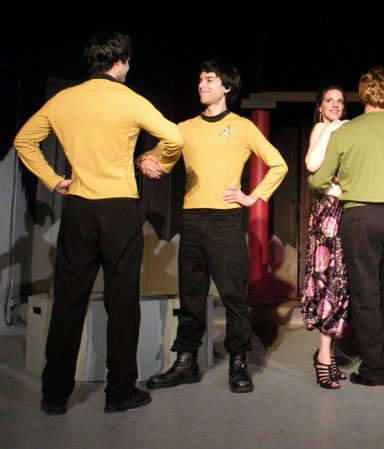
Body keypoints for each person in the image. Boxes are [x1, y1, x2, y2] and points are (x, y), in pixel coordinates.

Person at [13, 30, 184, 414]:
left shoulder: (64, 99)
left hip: (79, 207)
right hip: (119, 209)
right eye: (128, 61)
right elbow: (174, 137)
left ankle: (54, 395)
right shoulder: (130, 99)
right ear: (120, 61)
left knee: (68, 301)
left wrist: (53, 180)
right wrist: (155, 162)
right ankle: (119, 392)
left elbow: (24, 141)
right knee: (122, 301)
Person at [138, 60, 288, 394]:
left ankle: (239, 362)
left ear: (226, 87)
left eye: (209, 79)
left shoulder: (242, 127)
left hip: (225, 220)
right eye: (200, 79)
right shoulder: (184, 128)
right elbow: (155, 159)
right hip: (192, 219)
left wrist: (253, 196)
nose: (202, 85)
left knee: (233, 296)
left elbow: (278, 164)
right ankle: (186, 362)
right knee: (191, 295)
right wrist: (144, 162)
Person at [309, 66, 384, 387]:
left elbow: (317, 180)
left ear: (361, 96)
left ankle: (373, 370)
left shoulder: (345, 133)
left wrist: (341, 184)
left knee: (366, 296)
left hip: (360, 219)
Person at [300, 85, 350, 389]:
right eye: (329, 100)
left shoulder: (347, 130)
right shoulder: (322, 128)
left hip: (345, 209)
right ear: (320, 106)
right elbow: (311, 164)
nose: (335, 105)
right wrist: (331, 128)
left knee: (340, 283)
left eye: (340, 101)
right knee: (329, 281)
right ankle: (323, 357)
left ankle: (328, 355)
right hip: (328, 211)